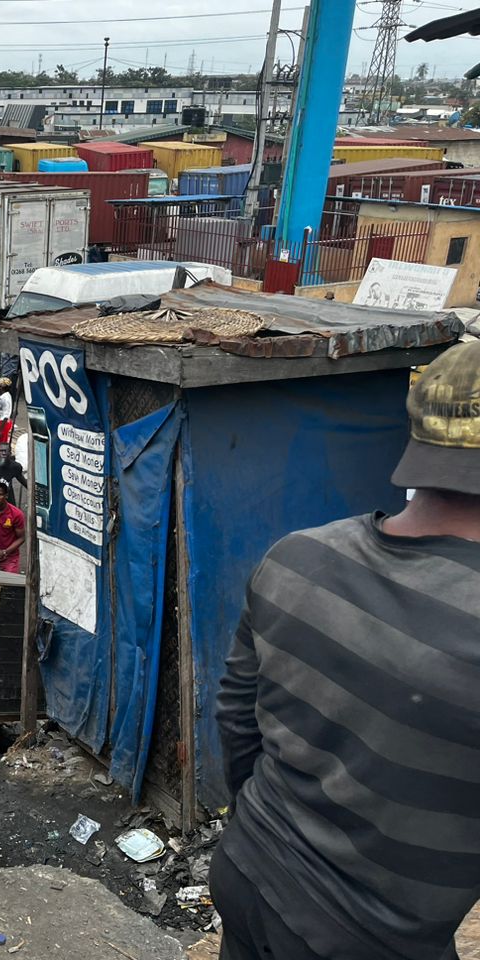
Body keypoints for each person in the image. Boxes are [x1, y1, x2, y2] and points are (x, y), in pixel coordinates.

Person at [211, 339, 480, 960]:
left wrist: (272, 836)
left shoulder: (297, 555)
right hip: (368, 938)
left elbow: (236, 723)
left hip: (250, 871)